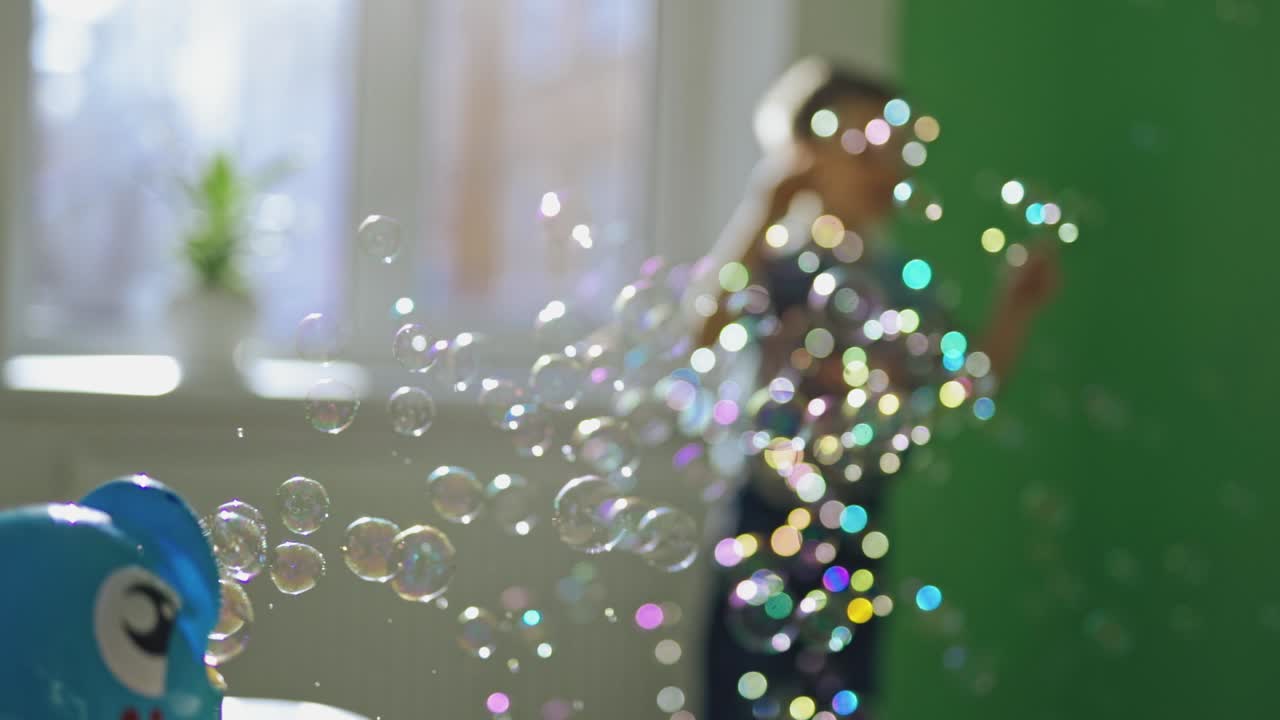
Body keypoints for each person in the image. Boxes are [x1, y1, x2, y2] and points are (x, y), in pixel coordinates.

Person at [688, 57, 1061, 719]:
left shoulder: (898, 284)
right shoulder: (775, 268)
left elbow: (970, 382)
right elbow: (704, 329)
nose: (886, 169)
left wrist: (1015, 307)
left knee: (842, 698)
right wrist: (763, 206)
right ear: (802, 160)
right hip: (765, 519)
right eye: (863, 149)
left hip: (859, 524)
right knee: (741, 695)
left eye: (898, 152)